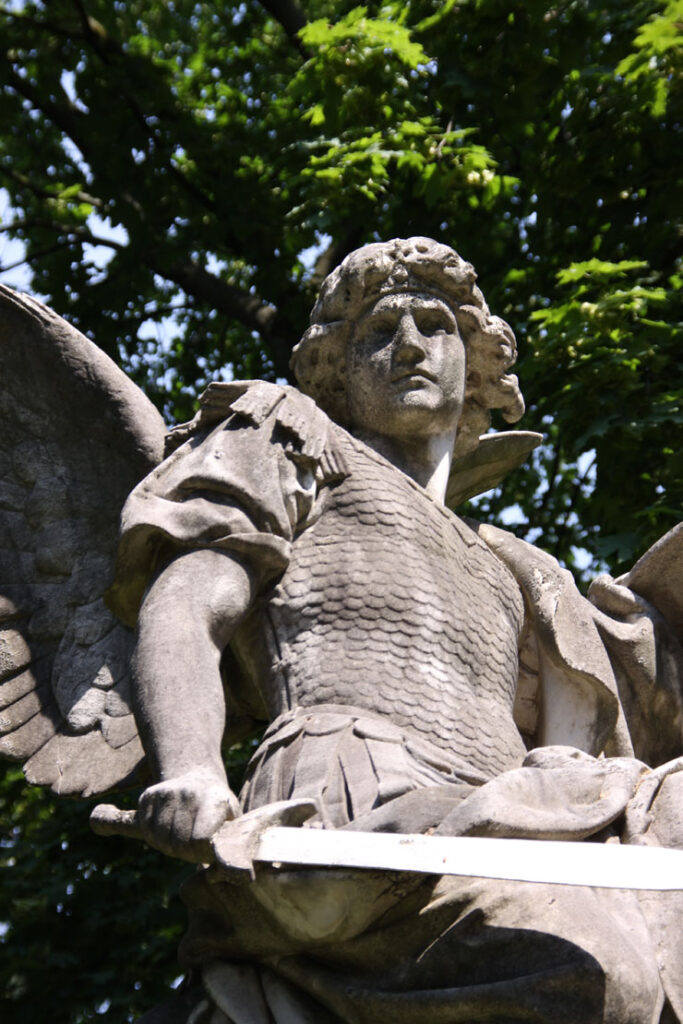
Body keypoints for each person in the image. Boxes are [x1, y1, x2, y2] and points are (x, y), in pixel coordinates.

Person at [109, 238, 682, 1023]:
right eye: (380, 331)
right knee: (592, 975)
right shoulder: (291, 437)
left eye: (434, 326)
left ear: (474, 371)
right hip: (354, 798)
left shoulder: (512, 566)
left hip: (510, 814)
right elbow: (188, 602)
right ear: (335, 373)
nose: (409, 344)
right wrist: (194, 770)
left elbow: (643, 683)